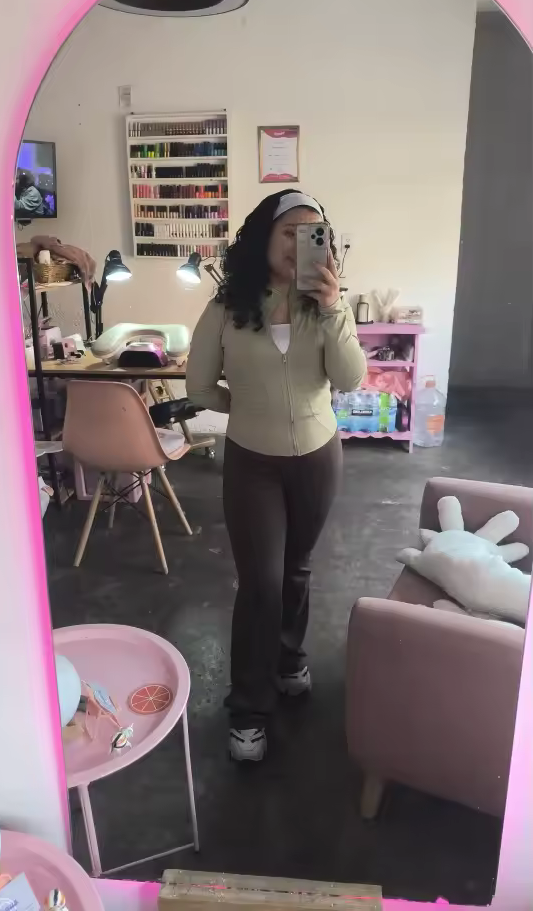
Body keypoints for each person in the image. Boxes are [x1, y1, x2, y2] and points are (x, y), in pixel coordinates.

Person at [186, 189, 366, 762]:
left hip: (318, 456)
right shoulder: (227, 306)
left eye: (313, 234)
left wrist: (334, 307)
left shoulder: (328, 304)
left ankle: (290, 659)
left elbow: (351, 379)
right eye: (288, 232)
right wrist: (244, 407)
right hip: (252, 462)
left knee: (297, 568)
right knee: (260, 582)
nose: (299, 244)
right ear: (263, 237)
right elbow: (198, 385)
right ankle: (248, 708)